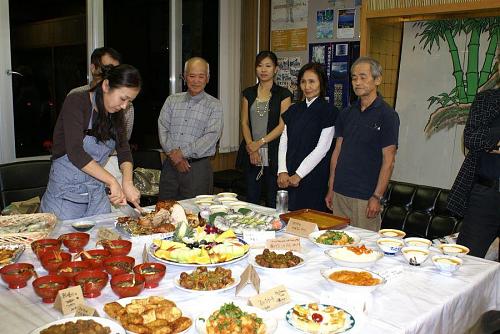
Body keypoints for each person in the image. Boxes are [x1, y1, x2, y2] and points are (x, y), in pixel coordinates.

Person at [41, 64, 142, 220]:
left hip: (96, 194)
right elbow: (76, 152)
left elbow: (124, 151)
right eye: (123, 98)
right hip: (65, 196)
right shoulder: (76, 102)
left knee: (104, 239)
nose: (124, 106)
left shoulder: (116, 113)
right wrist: (112, 180)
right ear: (106, 85)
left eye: (129, 101)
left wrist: (127, 182)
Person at [325, 57, 399, 232]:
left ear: (377, 79)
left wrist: (377, 196)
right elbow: (337, 152)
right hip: (340, 193)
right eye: (354, 77)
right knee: (337, 243)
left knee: (364, 249)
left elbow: (389, 161)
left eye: (363, 77)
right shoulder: (346, 113)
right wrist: (331, 187)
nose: (357, 82)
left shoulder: (388, 115)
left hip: (366, 197)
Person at [447, 58, 500, 258]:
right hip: (485, 193)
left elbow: (483, 137)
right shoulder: (486, 99)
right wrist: (495, 139)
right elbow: (471, 138)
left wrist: (491, 137)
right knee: (466, 261)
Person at [158, 57, 223, 200]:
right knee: (164, 210)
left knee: (197, 213)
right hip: (170, 166)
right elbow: (163, 129)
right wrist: (175, 157)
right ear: (184, 77)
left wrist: (181, 153)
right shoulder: (171, 100)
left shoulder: (214, 105)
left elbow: (211, 136)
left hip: (198, 169)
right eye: (192, 76)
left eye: (201, 76)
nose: (196, 80)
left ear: (208, 78)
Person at [68, 47, 134, 187]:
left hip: (109, 163)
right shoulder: (76, 99)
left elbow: (123, 145)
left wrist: (127, 182)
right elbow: (74, 149)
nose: (111, 76)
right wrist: (110, 180)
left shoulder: (121, 105)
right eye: (107, 70)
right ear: (93, 68)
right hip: (71, 177)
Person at [277, 62, 337, 211]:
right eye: (303, 82)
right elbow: (284, 140)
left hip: (313, 175)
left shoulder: (330, 111)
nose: (307, 86)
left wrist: (299, 174)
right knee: (286, 218)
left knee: (309, 222)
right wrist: (282, 170)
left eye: (312, 81)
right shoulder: (294, 109)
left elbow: (322, 149)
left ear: (321, 83)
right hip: (288, 174)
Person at [238, 51, 292, 207]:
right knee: (251, 200)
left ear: (275, 69)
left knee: (272, 201)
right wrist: (251, 147)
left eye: (268, 66)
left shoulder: (283, 94)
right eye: (260, 66)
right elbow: (244, 123)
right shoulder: (248, 93)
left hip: (274, 153)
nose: (263, 70)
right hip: (252, 154)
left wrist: (260, 142)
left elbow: (282, 125)